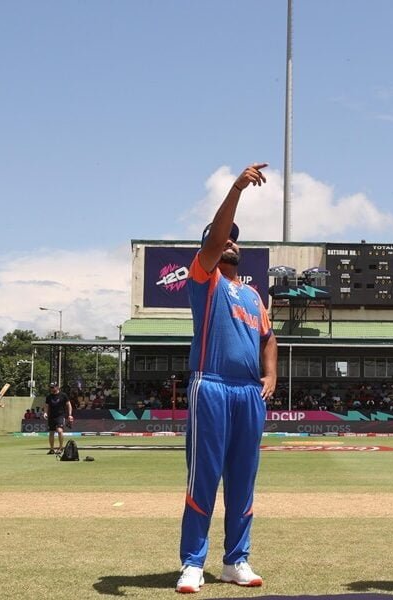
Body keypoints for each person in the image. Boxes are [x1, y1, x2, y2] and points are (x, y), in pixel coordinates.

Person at [175, 163, 277, 594]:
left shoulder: (253, 294)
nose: (231, 241)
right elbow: (216, 239)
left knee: (243, 478)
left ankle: (236, 560)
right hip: (210, 384)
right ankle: (193, 564)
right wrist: (236, 187)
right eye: (223, 237)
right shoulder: (205, 278)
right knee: (205, 477)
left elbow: (268, 338)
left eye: (236, 237)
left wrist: (270, 374)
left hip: (247, 393)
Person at [44, 382, 73, 454]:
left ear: (57, 387)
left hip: (60, 415)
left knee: (60, 431)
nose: (51, 389)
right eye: (50, 387)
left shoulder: (63, 395)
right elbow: (46, 406)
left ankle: (60, 448)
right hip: (51, 416)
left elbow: (69, 405)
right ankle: (51, 449)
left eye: (53, 387)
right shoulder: (49, 396)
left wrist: (70, 415)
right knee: (51, 432)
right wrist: (45, 412)